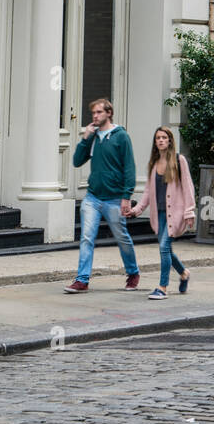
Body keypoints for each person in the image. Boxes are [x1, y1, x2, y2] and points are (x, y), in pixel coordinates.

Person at [64, 99, 140, 293]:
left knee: (121, 237)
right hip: (93, 197)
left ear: (109, 113)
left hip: (115, 198)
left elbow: (129, 168)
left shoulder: (121, 136)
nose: (95, 116)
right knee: (86, 238)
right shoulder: (93, 137)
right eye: (93, 113)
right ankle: (82, 280)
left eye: (99, 112)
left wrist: (126, 196)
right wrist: (85, 139)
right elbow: (76, 161)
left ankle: (133, 272)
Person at [130, 127, 196, 299]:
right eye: (158, 138)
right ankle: (184, 273)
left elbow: (188, 186)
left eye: (164, 137)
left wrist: (189, 212)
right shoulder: (154, 164)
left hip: (176, 214)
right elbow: (147, 192)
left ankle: (162, 287)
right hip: (159, 214)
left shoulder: (179, 160)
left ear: (170, 141)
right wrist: (136, 210)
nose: (160, 140)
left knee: (164, 247)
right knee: (166, 249)